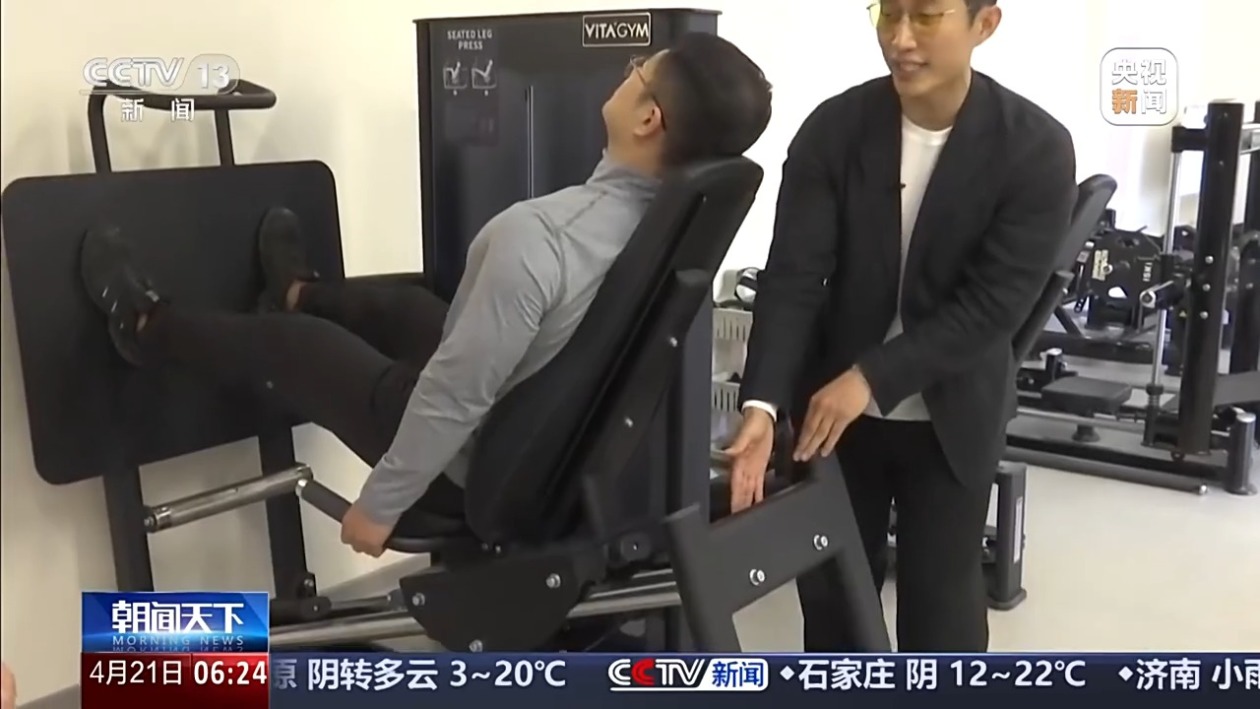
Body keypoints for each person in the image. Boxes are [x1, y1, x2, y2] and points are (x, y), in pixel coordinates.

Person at [79, 33, 772, 559]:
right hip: (536, 427)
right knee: (409, 309)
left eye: (638, 71)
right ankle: (294, 291)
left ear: (648, 119)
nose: (626, 72)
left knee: (299, 349)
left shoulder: (544, 238)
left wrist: (382, 504)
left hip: (467, 465)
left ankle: (144, 324)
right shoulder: (671, 228)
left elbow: (456, 393)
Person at [724, 0, 1076, 652]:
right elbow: (794, 276)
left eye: (927, 16)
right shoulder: (835, 129)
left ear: (984, 24)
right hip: (831, 423)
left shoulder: (1035, 147)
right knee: (835, 605)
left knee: (941, 613)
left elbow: (994, 305)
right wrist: (763, 404)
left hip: (951, 414)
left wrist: (870, 377)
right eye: (889, 14)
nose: (901, 38)